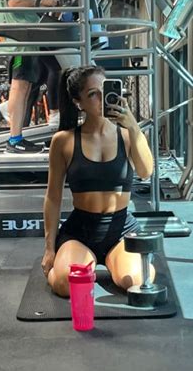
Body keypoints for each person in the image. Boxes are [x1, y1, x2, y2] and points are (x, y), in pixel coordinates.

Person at [41, 66, 155, 297]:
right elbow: (52, 198)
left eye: (105, 91)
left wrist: (133, 125)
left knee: (135, 281)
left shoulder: (127, 135)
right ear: (78, 102)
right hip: (80, 231)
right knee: (66, 284)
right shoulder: (63, 141)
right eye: (93, 94)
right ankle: (72, 265)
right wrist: (49, 249)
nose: (102, 99)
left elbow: (146, 172)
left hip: (121, 228)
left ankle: (123, 262)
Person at [0, 0, 79, 152]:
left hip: (29, 35)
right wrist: (44, 3)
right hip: (21, 37)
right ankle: (14, 137)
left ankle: (16, 131)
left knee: (30, 82)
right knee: (20, 85)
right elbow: (15, 3)